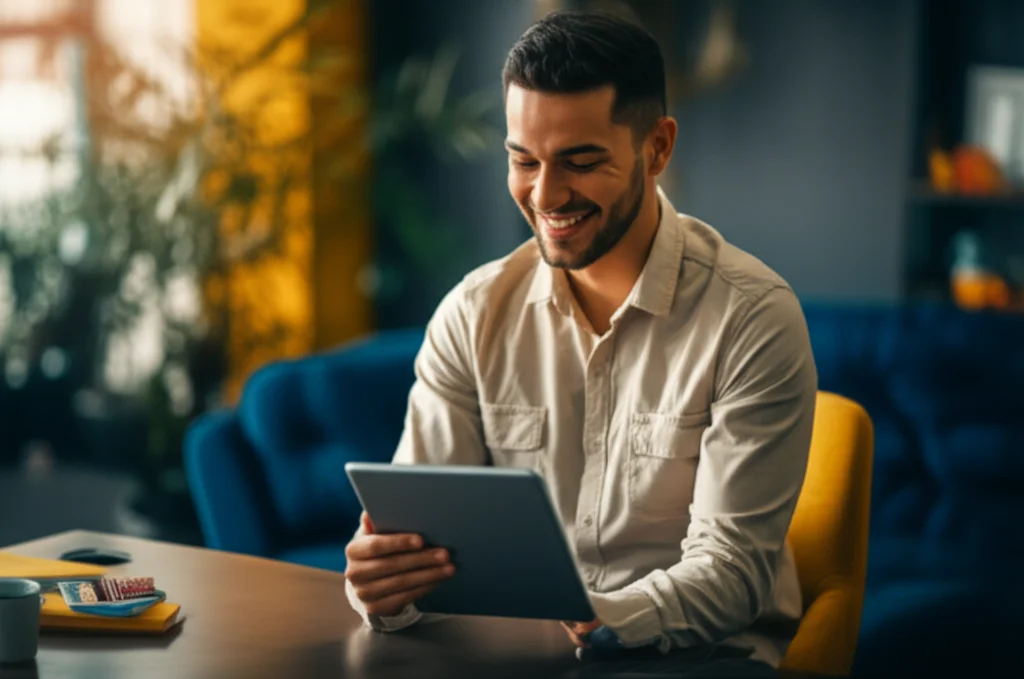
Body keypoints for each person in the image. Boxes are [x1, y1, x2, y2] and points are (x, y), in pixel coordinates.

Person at [344, 9, 817, 677]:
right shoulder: (471, 314)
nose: (545, 193)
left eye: (580, 161)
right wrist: (384, 587)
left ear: (657, 148)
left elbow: (733, 573)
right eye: (523, 159)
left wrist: (610, 615)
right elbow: (414, 544)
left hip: (700, 656)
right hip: (527, 652)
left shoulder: (752, 317)